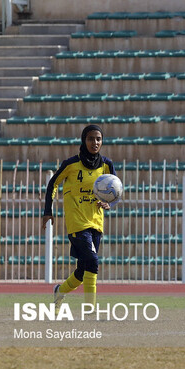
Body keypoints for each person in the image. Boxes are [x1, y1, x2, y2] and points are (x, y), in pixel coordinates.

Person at [43, 124, 116, 308]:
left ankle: (59, 291)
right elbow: (53, 184)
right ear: (84, 140)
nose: (95, 142)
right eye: (91, 138)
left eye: (98, 139)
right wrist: (47, 211)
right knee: (93, 261)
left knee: (83, 271)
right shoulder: (71, 164)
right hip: (77, 223)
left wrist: (110, 203)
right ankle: (90, 310)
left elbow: (116, 192)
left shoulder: (107, 165)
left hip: (96, 223)